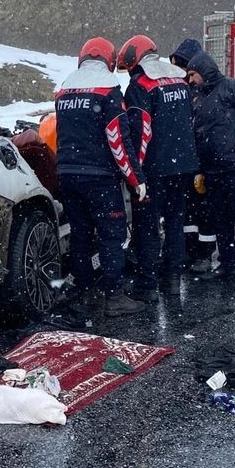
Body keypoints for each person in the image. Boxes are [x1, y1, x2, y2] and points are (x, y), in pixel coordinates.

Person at [56, 37, 147, 316]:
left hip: (67, 175)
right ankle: (115, 296)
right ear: (110, 60)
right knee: (112, 235)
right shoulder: (108, 90)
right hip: (99, 178)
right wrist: (136, 179)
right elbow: (118, 140)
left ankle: (85, 294)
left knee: (81, 236)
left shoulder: (64, 90)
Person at [117, 35, 199, 300]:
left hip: (154, 169)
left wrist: (136, 174)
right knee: (175, 223)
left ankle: (147, 286)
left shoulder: (140, 85)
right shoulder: (179, 80)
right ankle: (172, 280)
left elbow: (141, 132)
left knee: (147, 227)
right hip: (183, 166)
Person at [187, 51, 235, 291]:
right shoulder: (198, 99)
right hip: (213, 172)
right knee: (221, 222)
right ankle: (226, 265)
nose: (190, 79)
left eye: (193, 74)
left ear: (204, 69)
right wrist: (200, 169)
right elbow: (198, 137)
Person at [170, 39, 216, 274]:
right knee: (188, 211)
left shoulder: (208, 92)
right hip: (187, 161)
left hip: (204, 161)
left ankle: (205, 254)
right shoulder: (185, 91)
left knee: (204, 211)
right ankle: (189, 251)